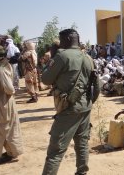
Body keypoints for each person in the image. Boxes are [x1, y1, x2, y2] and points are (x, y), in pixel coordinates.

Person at [41, 29, 98, 175]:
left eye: (61, 40)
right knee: (82, 144)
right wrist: (88, 102)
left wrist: (51, 60)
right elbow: (96, 86)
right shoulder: (88, 58)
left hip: (68, 109)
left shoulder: (61, 56)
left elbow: (46, 79)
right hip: (85, 107)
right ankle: (82, 172)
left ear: (66, 39)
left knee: (55, 151)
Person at [0, 45, 23, 164]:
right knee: (7, 128)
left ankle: (3, 155)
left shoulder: (1, 70)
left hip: (3, 103)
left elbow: (10, 89)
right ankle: (12, 152)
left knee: (3, 128)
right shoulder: (3, 67)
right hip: (3, 102)